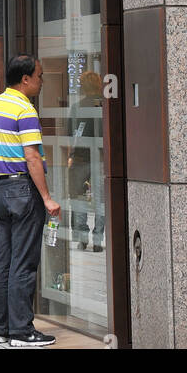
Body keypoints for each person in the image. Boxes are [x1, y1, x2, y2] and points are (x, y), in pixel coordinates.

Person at [0, 54, 60, 348]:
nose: (42, 82)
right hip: (23, 190)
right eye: (39, 76)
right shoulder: (25, 110)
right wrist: (47, 197)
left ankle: (0, 329)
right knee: (24, 263)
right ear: (25, 79)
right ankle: (22, 331)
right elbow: (32, 157)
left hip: (1, 188)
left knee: (4, 260)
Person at [68, 69, 105, 252]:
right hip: (101, 158)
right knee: (100, 200)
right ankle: (98, 239)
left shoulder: (77, 107)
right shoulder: (103, 106)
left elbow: (70, 134)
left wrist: (70, 156)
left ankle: (82, 237)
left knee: (80, 197)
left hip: (81, 158)